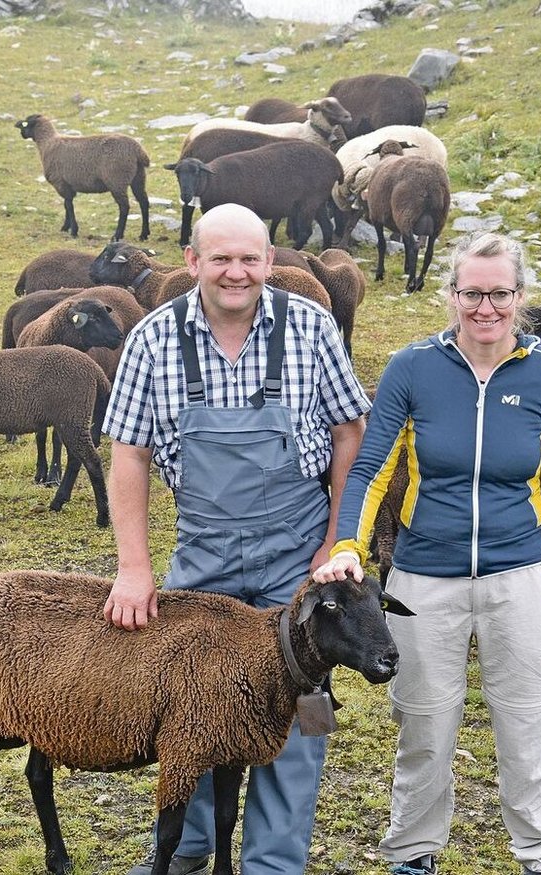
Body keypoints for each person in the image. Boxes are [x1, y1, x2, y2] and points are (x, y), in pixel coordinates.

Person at [101, 202, 371, 875]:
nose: (236, 271)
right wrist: (133, 567)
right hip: (204, 550)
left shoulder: (311, 328)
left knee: (299, 704)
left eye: (250, 258)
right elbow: (128, 455)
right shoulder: (154, 339)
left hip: (298, 551)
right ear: (192, 262)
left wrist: (337, 542)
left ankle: (273, 863)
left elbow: (350, 435)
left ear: (270, 262)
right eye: (220, 257)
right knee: (190, 699)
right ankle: (188, 849)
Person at [313, 231, 541, 875]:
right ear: (453, 294)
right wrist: (349, 543)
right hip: (421, 579)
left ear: (519, 297)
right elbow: (372, 469)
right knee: (424, 722)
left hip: (519, 575)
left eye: (499, 294)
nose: (485, 308)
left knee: (528, 719)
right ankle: (413, 853)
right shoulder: (413, 368)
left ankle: (539, 853)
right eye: (472, 293)